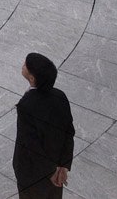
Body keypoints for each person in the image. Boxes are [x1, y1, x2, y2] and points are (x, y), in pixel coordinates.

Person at [13, 52, 74, 195]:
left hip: (31, 173)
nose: (23, 65)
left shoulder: (26, 105)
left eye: (26, 65)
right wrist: (63, 166)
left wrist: (50, 172)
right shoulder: (60, 96)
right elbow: (69, 132)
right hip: (56, 166)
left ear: (32, 78)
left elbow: (30, 143)